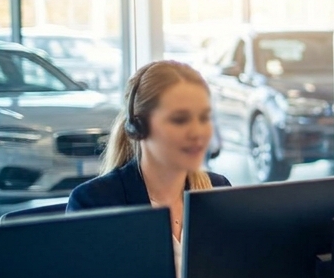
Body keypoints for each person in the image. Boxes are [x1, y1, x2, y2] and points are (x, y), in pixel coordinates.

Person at [68, 60, 231, 261]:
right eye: (180, 119)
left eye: (204, 118)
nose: (197, 132)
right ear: (138, 126)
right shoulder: (94, 203)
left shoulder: (218, 190)